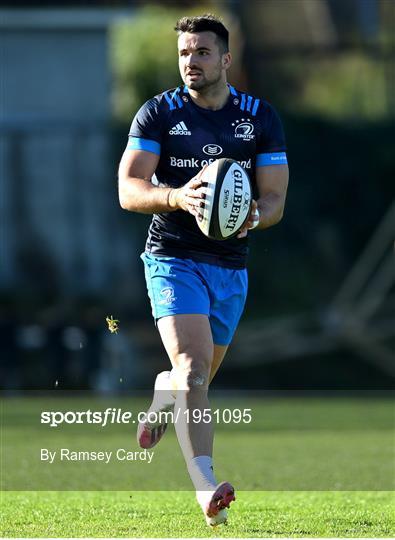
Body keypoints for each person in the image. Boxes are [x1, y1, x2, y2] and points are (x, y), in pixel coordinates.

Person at [118, 14, 289, 527]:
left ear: (226, 59)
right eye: (184, 54)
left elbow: (276, 196)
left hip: (230, 269)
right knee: (193, 369)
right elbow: (129, 188)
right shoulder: (159, 114)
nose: (190, 62)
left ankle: (163, 393)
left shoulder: (259, 117)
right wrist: (176, 196)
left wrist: (257, 214)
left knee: (193, 382)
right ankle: (206, 490)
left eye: (201, 53)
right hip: (172, 259)